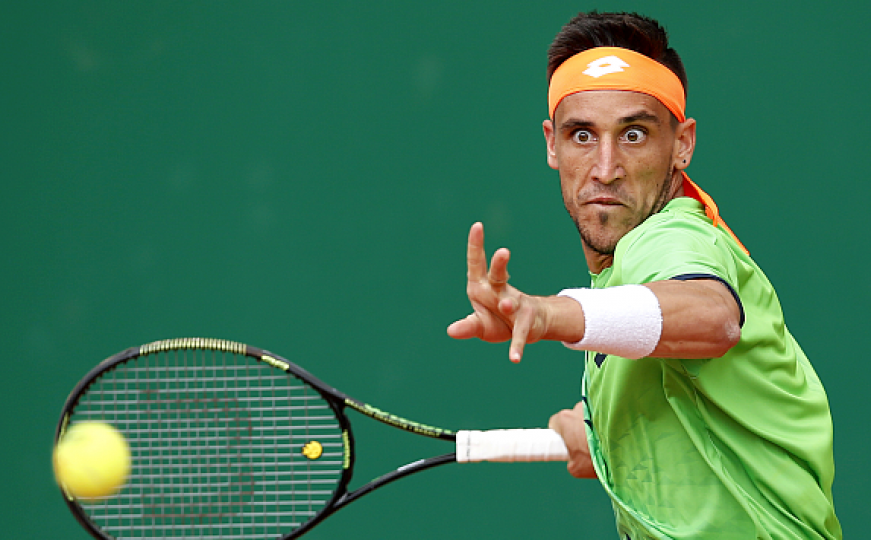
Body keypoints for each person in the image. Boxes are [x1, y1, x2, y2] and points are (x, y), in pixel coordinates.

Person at [447, 11, 841, 540]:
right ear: (552, 144)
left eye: (633, 135)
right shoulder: (620, 284)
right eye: (582, 135)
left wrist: (548, 314)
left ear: (682, 144)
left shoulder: (669, 238)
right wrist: (601, 437)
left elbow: (712, 316)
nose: (605, 168)